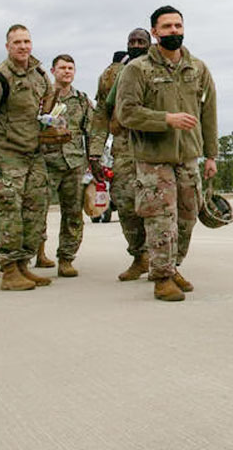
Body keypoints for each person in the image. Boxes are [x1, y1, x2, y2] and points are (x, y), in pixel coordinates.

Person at [115, 6, 217, 302]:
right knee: (161, 217)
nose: (174, 31)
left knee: (187, 216)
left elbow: (208, 113)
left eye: (178, 25)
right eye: (167, 27)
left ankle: (173, 266)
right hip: (153, 157)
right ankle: (161, 277)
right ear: (155, 33)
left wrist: (211, 155)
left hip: (188, 156)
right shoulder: (137, 69)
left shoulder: (197, 68)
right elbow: (126, 113)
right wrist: (166, 120)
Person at [0, 24, 53, 291]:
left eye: (27, 41)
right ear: (7, 46)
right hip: (6, 154)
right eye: (17, 42)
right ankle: (9, 269)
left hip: (33, 153)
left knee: (35, 210)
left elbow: (45, 107)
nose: (23, 46)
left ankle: (24, 264)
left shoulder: (39, 75)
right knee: (11, 210)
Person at [90, 28, 152, 279]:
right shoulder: (111, 75)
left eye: (141, 42)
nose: (136, 45)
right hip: (125, 145)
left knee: (159, 205)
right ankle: (140, 256)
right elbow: (101, 115)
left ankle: (165, 260)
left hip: (156, 144)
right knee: (125, 203)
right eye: (132, 42)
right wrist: (94, 153)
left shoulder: (161, 68)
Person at [40, 54, 93, 277]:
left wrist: (94, 160)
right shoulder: (41, 98)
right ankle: (39, 251)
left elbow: (91, 131)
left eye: (70, 68)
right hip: (45, 162)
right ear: (53, 71)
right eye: (62, 68)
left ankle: (66, 258)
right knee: (37, 211)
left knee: (73, 214)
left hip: (74, 163)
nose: (67, 71)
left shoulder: (81, 100)